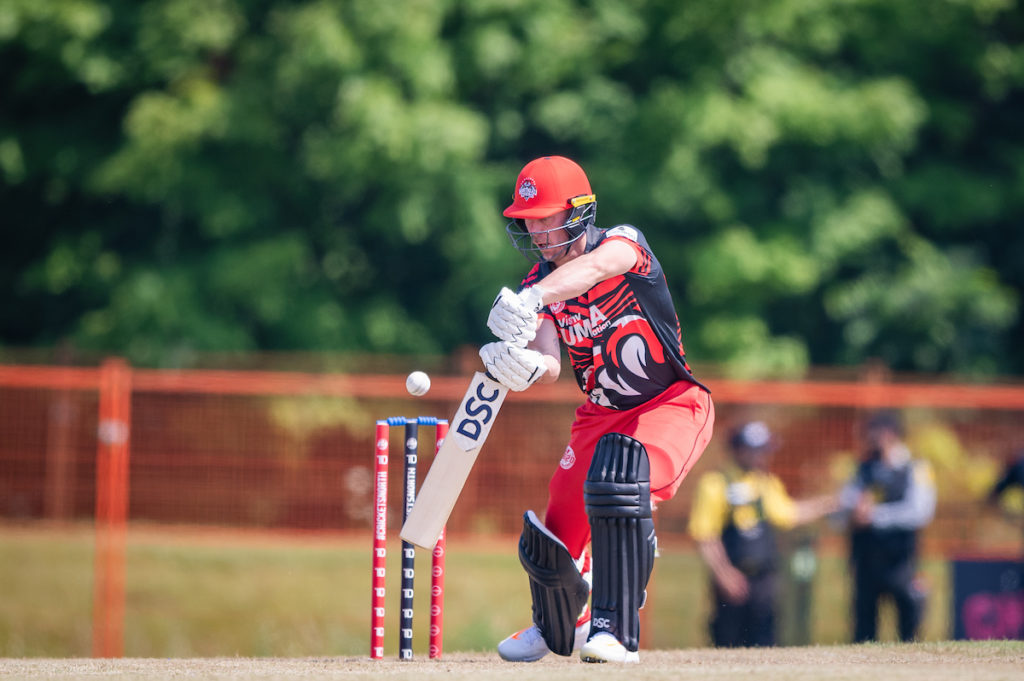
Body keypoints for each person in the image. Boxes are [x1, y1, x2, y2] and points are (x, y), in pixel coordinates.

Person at [480, 156, 715, 663]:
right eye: (529, 220)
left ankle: (614, 626)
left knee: (621, 488)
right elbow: (550, 364)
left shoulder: (622, 244)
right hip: (599, 414)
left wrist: (534, 296)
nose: (537, 231)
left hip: (669, 403)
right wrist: (518, 365)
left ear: (580, 212)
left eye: (546, 217)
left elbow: (595, 270)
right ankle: (560, 623)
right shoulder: (538, 284)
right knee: (558, 524)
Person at [687, 421, 837, 647]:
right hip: (733, 577)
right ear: (737, 449)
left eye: (764, 450)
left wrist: (829, 503)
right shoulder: (715, 483)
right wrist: (724, 573)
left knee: (765, 641)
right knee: (727, 641)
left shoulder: (766, 483)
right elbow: (705, 534)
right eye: (755, 450)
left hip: (765, 580)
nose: (762, 457)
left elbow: (789, 514)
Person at [836, 410, 936, 643]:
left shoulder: (916, 468)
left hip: (902, 563)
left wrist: (874, 516)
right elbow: (842, 510)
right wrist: (851, 515)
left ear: (890, 435)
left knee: (909, 632)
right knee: (863, 634)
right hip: (866, 563)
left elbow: (920, 513)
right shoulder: (861, 469)